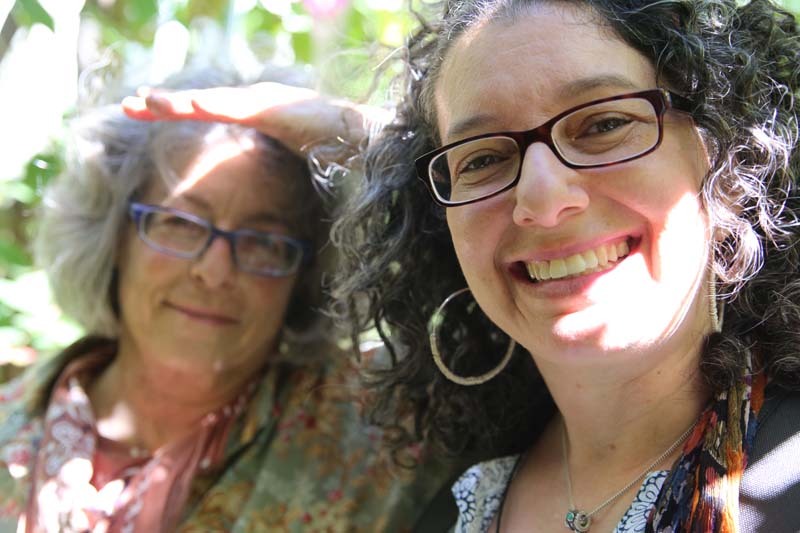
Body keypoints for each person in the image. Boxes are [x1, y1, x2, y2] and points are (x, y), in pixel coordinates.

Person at [123, 1, 800, 530]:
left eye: (602, 125)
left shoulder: (784, 472)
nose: (541, 199)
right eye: (484, 157)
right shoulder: (453, 500)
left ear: (725, 155)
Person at [0, 67, 451, 532]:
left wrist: (376, 139)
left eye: (263, 240)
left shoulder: (382, 432)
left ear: (305, 272)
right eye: (180, 223)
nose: (215, 272)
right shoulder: (10, 421)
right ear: (113, 238)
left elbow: (500, 311)